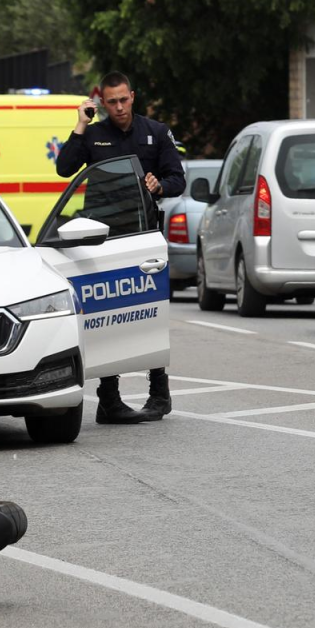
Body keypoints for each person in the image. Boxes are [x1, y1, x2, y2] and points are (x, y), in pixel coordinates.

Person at [54, 71, 184, 425]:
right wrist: (80, 125)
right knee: (106, 314)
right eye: (111, 102)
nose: (119, 107)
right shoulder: (93, 134)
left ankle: (160, 393)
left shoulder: (155, 132)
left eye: (124, 99)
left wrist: (159, 187)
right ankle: (109, 399)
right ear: (102, 102)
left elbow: (178, 179)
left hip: (143, 239)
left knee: (150, 310)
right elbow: (64, 168)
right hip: (102, 239)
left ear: (133, 96)